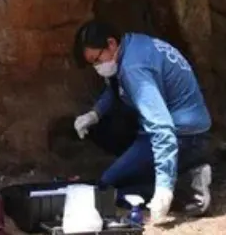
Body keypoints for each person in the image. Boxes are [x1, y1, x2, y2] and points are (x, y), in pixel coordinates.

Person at [71, 20, 213, 223]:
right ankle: (180, 172)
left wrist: (164, 187)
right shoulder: (132, 45)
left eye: (96, 60)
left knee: (109, 187)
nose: (97, 67)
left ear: (111, 44)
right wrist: (95, 114)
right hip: (194, 130)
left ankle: (184, 188)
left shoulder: (133, 68)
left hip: (183, 136)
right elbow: (116, 87)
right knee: (104, 131)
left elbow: (162, 128)